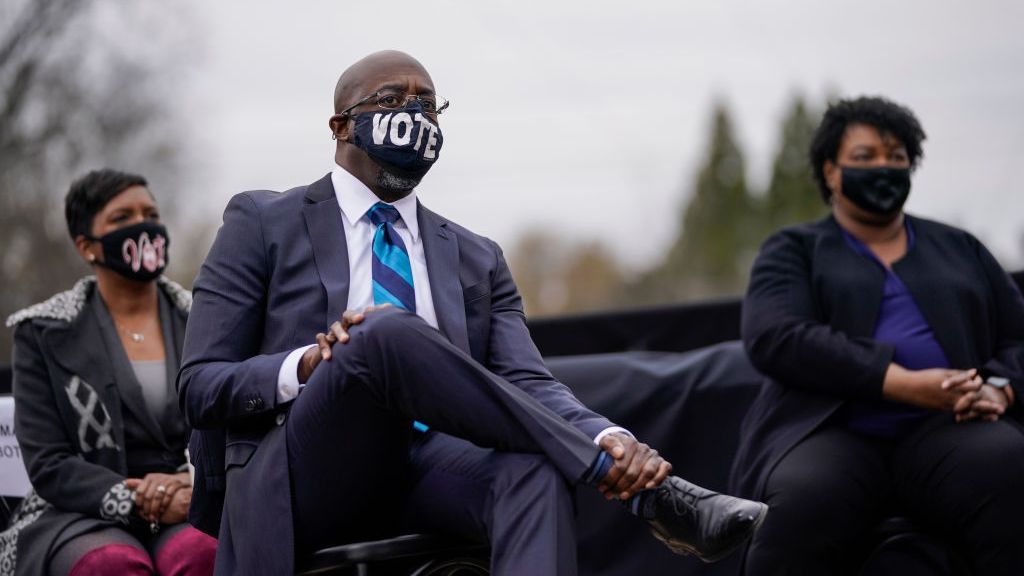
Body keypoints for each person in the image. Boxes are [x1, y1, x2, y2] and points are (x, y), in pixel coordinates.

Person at [178, 50, 767, 575]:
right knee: (380, 332)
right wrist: (307, 362)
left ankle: (600, 460)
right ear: (340, 126)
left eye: (428, 104)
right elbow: (200, 385)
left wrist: (609, 434)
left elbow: (527, 382)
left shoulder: (477, 257)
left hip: (434, 465)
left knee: (534, 473)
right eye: (391, 100)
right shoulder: (261, 222)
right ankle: (647, 495)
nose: (415, 113)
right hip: (307, 475)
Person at [732, 96, 1024, 575]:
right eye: (865, 157)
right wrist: (902, 383)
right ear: (831, 171)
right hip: (831, 431)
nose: (884, 168)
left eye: (897, 157)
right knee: (802, 500)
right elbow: (777, 336)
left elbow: (1018, 337)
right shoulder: (793, 250)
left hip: (951, 428)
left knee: (1008, 467)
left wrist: (998, 387)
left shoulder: (961, 247)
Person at [2, 170, 217, 575]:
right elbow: (49, 463)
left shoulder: (204, 318)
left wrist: (191, 488)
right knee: (111, 564)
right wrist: (134, 500)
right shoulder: (42, 332)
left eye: (150, 213)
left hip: (191, 498)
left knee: (202, 552)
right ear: (86, 246)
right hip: (78, 513)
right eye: (122, 218)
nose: (143, 225)